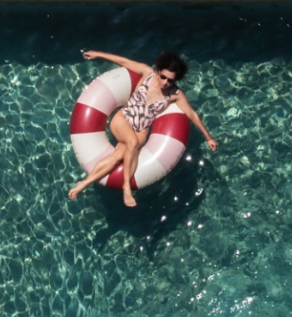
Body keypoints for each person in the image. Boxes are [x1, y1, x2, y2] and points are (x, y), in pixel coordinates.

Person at [68, 49, 218, 207]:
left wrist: (208, 137)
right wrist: (98, 54)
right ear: (159, 71)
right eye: (163, 77)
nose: (165, 82)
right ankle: (127, 188)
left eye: (170, 80)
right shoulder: (147, 73)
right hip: (123, 119)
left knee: (118, 156)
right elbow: (123, 61)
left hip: (141, 130)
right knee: (132, 143)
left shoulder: (175, 94)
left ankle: (83, 184)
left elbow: (191, 114)